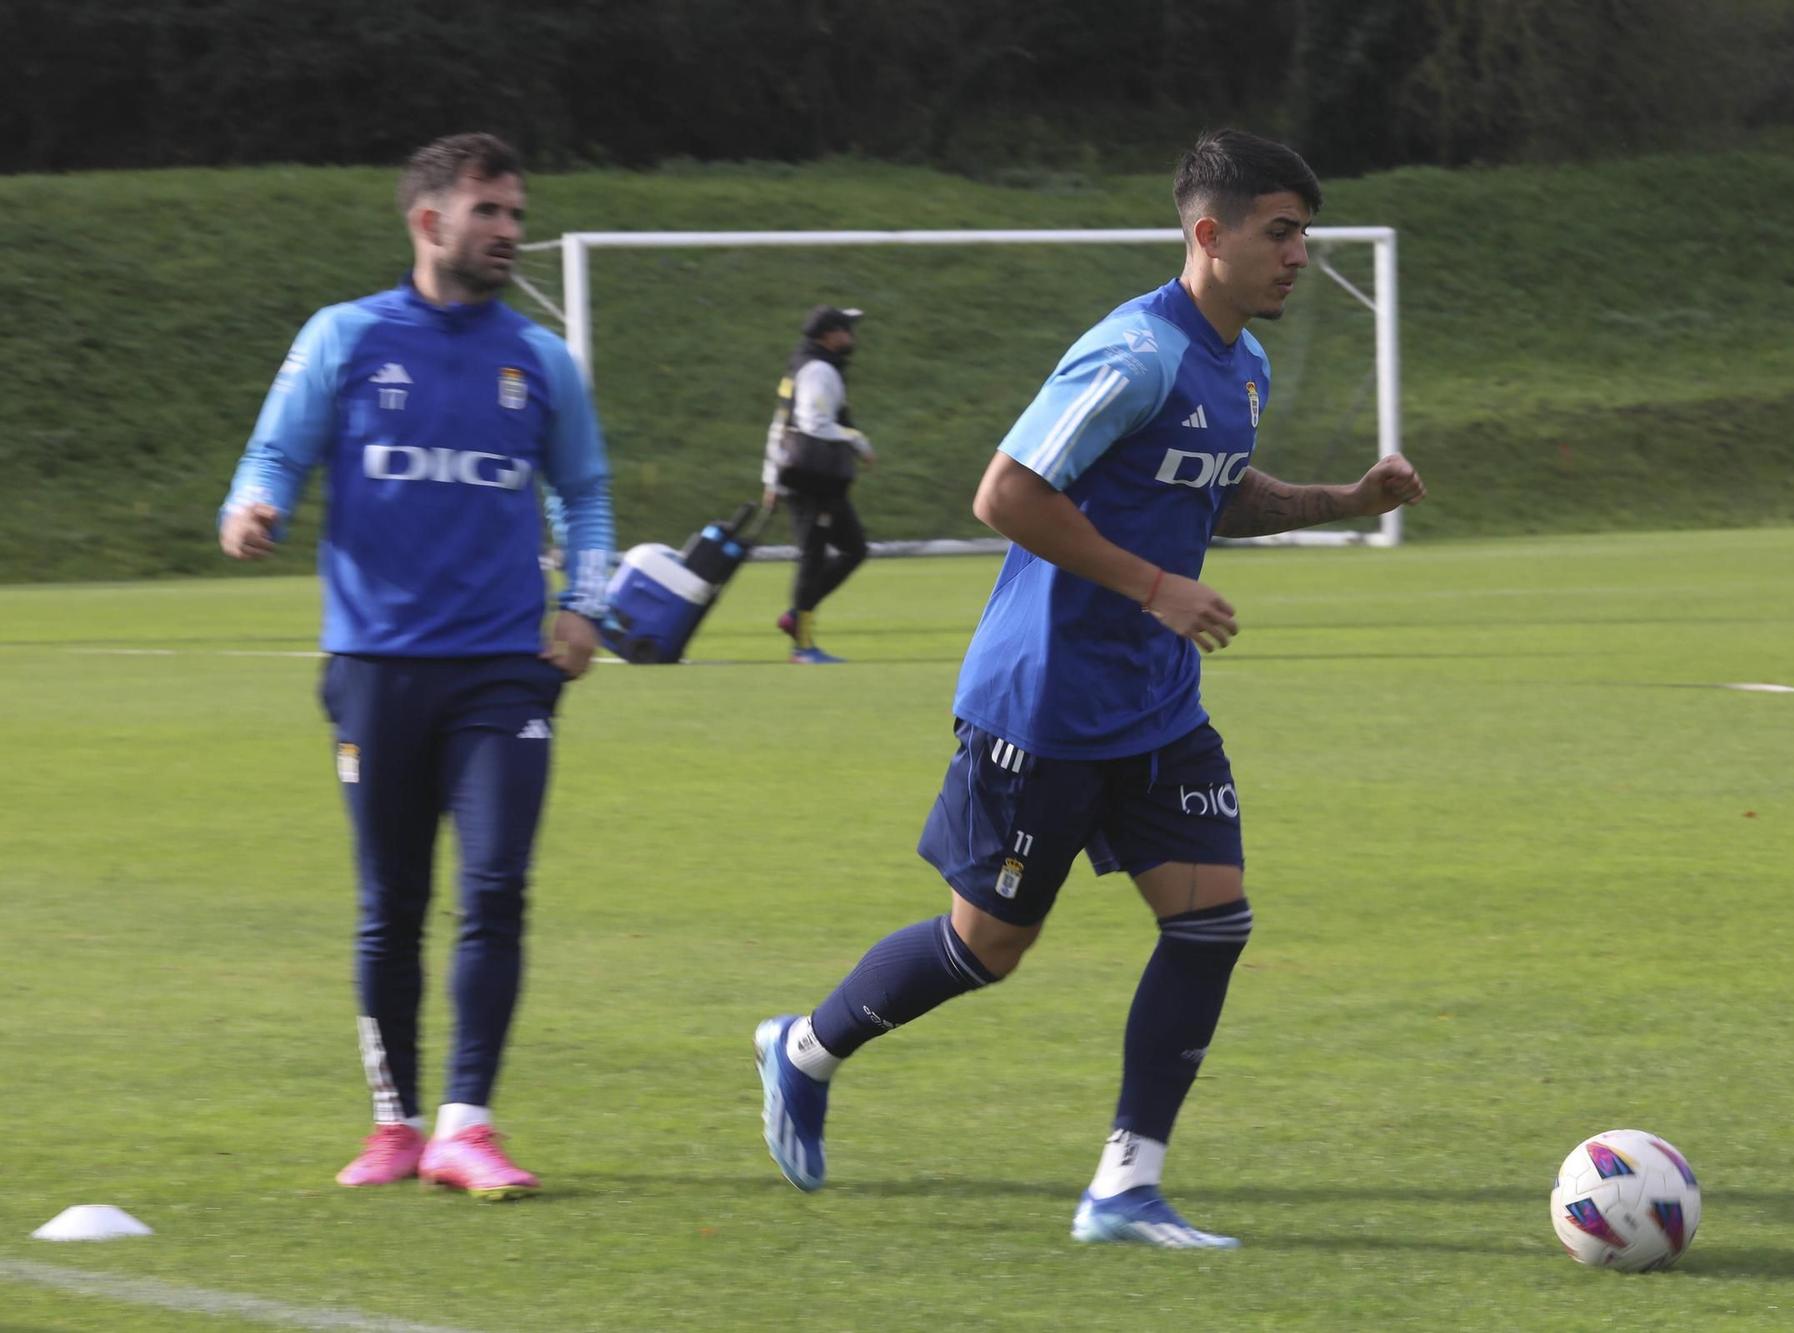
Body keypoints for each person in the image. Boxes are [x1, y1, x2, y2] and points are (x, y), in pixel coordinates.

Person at [753, 129, 1425, 1247]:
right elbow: (1006, 492)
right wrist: (1156, 586)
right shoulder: (1133, 353)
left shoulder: (1238, 366)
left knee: (1212, 922)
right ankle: (805, 1047)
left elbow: (1216, 492)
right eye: (1280, 231)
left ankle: (1124, 1184)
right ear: (1207, 235)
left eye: (1303, 232)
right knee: (986, 947)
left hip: (1155, 704)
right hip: (1044, 704)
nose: (1299, 254)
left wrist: (1344, 501)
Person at [218, 132, 616, 1200]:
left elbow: (583, 492)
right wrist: (249, 508)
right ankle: (394, 1124)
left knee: (495, 886)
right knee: (390, 900)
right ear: (428, 220)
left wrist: (584, 606)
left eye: (517, 215)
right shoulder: (346, 337)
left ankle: (465, 1125)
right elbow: (273, 453)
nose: (509, 233)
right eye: (489, 211)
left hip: (501, 670)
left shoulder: (539, 358)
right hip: (376, 668)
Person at [761, 304, 874, 664]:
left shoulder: (806, 364)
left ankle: (796, 614)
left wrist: (769, 476)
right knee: (813, 557)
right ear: (829, 335)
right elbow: (812, 422)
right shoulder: (819, 369)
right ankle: (803, 647)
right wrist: (858, 442)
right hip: (812, 478)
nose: (851, 336)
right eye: (845, 329)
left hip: (811, 477)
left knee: (853, 547)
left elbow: (781, 424)